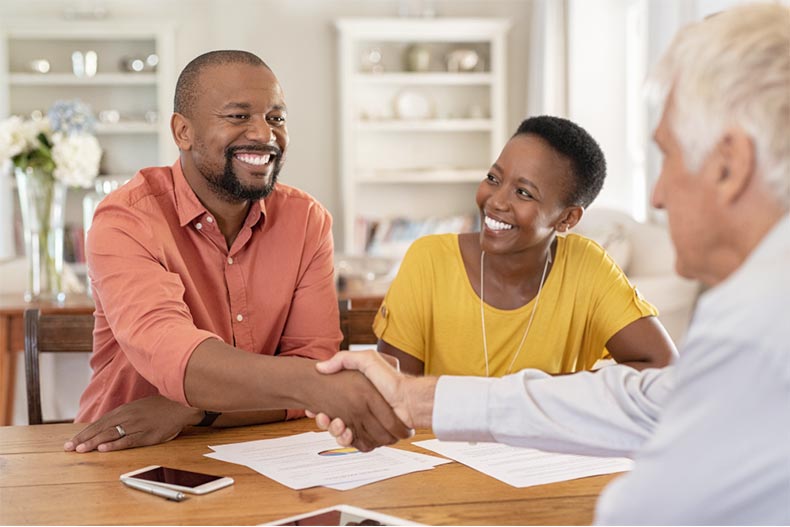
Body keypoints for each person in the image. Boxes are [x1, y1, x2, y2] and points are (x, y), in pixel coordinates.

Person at [311, 3, 790, 523]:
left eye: (669, 154)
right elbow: (651, 399)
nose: (656, 195)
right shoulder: (753, 312)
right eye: (496, 178)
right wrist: (415, 399)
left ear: (730, 164)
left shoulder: (755, 331)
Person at [64, 50, 410, 454]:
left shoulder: (307, 221)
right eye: (238, 116)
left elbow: (312, 363)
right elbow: (179, 360)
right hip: (123, 451)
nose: (264, 134)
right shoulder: (126, 220)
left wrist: (193, 412)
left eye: (276, 118)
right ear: (183, 132)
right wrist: (320, 387)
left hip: (260, 449)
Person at [375, 116, 676, 377]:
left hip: (542, 446)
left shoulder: (587, 267)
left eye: (523, 192)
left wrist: (531, 394)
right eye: (493, 178)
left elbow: (663, 367)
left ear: (567, 218)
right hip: (437, 444)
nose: (496, 201)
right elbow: (393, 395)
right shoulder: (430, 260)